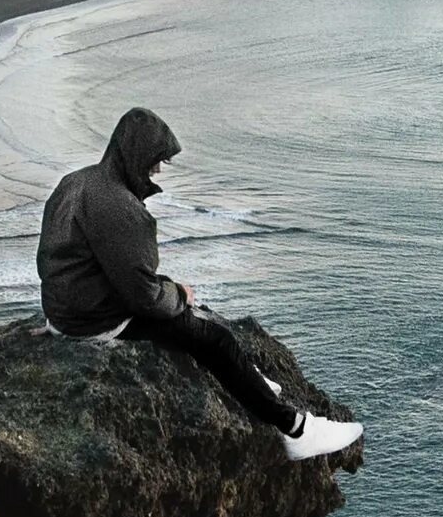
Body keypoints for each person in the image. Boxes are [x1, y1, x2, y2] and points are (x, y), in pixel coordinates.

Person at [37, 106, 364, 462]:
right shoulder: (120, 208)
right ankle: (298, 430)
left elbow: (69, 258)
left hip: (64, 308)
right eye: (155, 159)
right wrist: (177, 293)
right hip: (93, 321)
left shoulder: (77, 182)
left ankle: (251, 381)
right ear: (134, 155)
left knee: (194, 317)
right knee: (215, 340)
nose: (158, 169)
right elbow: (145, 299)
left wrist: (167, 289)